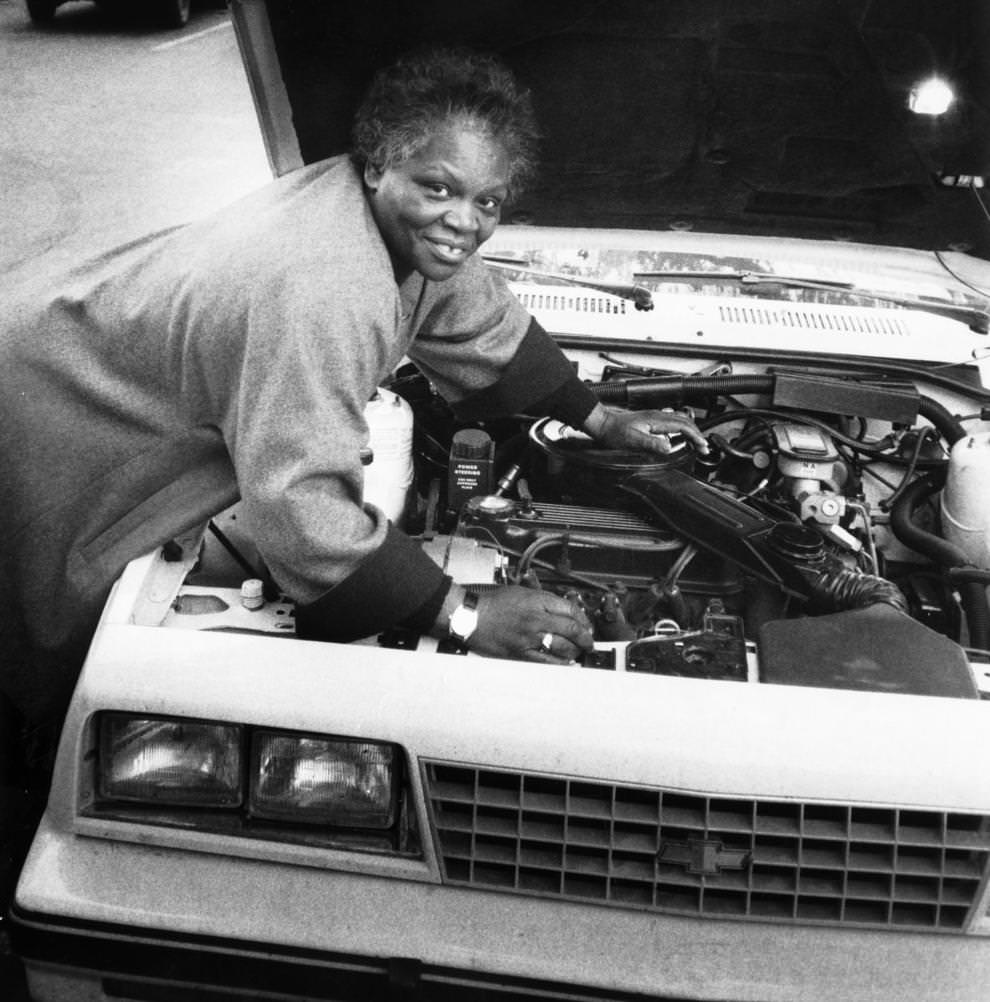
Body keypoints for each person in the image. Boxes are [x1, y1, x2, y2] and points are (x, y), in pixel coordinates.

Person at [0, 47, 703, 755]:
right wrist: (462, 615)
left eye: (487, 201)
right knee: (35, 633)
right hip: (48, 414)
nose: (464, 222)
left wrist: (605, 418)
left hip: (70, 356)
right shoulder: (319, 288)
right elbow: (300, 508)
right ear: (376, 165)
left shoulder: (389, 222)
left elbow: (480, 315)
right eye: (438, 187)